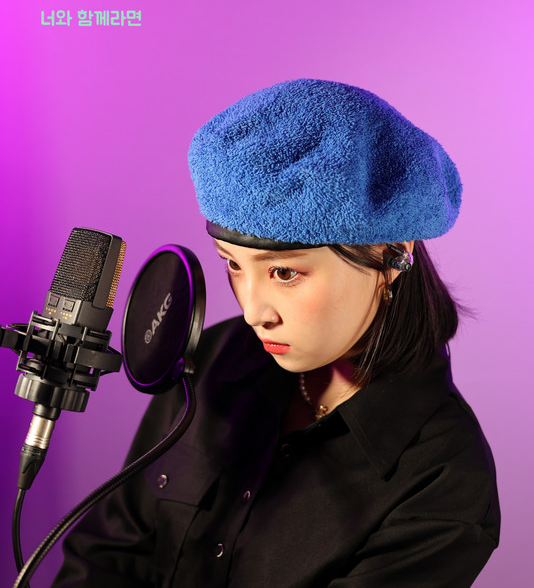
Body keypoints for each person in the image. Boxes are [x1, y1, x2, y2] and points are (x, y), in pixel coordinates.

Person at [53, 79, 500, 587]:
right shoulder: (213, 356)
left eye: (284, 272)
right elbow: (108, 553)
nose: (252, 312)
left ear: (391, 253)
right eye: (232, 264)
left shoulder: (443, 480)